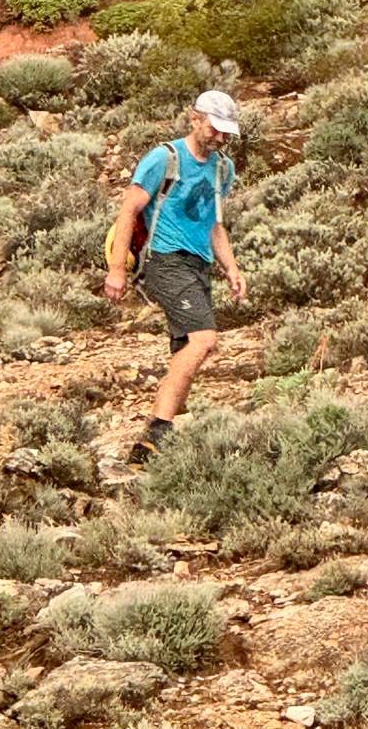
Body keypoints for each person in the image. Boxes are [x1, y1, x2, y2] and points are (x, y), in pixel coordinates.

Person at [104, 90, 247, 464]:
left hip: (198, 265)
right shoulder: (164, 158)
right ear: (195, 119)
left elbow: (214, 225)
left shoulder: (223, 169)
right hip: (164, 260)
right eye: (215, 129)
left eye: (226, 132)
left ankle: (150, 448)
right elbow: (128, 211)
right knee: (204, 339)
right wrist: (117, 269)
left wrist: (231, 267)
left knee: (186, 350)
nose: (220, 138)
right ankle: (158, 431)